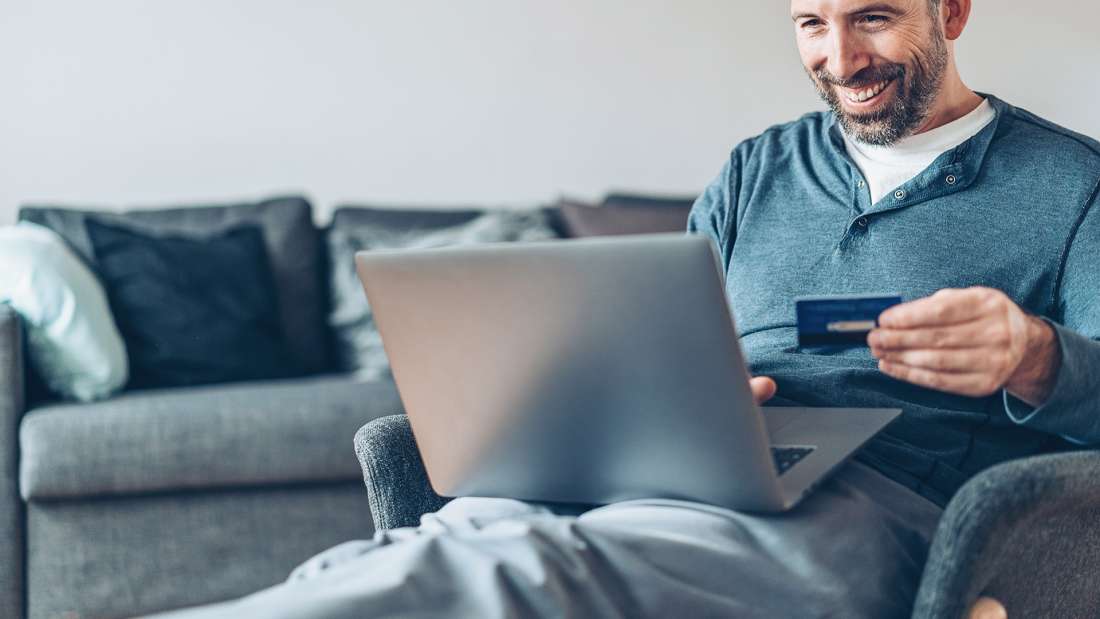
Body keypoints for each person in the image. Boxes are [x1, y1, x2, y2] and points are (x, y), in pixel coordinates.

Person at [154, 1, 1098, 617]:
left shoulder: (1069, 183)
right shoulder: (757, 169)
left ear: (953, 10)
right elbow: (677, 335)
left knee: (532, 580)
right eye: (811, 22)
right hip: (708, 456)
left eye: (874, 18)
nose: (839, 57)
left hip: (883, 500)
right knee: (465, 528)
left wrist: (1035, 355)